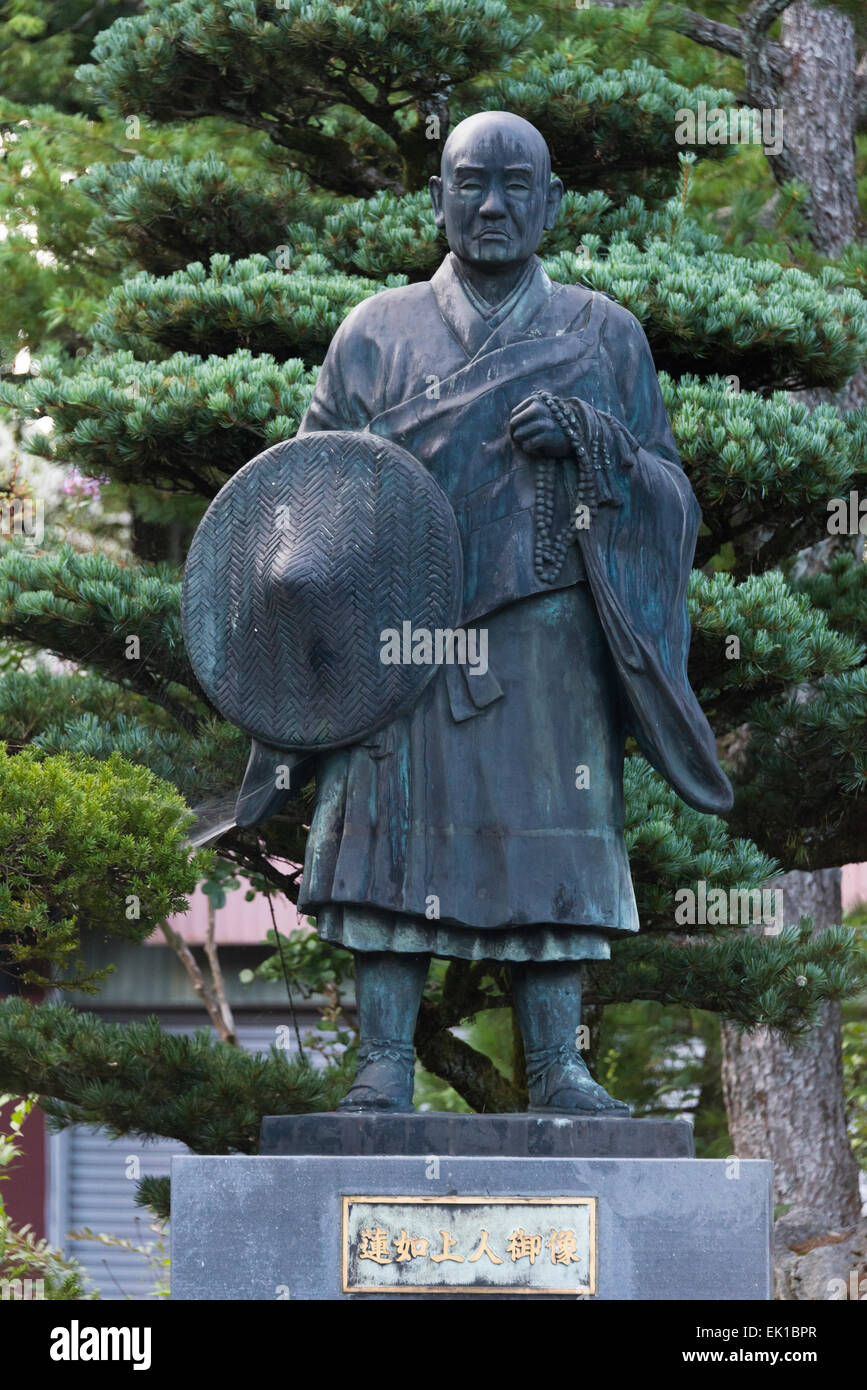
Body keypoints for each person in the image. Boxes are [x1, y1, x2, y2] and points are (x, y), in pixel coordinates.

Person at [294, 110, 732, 1114]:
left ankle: (561, 1067)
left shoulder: (602, 334)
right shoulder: (375, 332)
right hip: (405, 634)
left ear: (552, 204)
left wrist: (591, 439)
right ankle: (381, 1067)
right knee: (387, 849)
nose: (493, 204)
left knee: (553, 840)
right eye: (471, 183)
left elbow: (671, 491)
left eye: (517, 185)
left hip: (547, 635)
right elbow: (307, 489)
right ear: (437, 197)